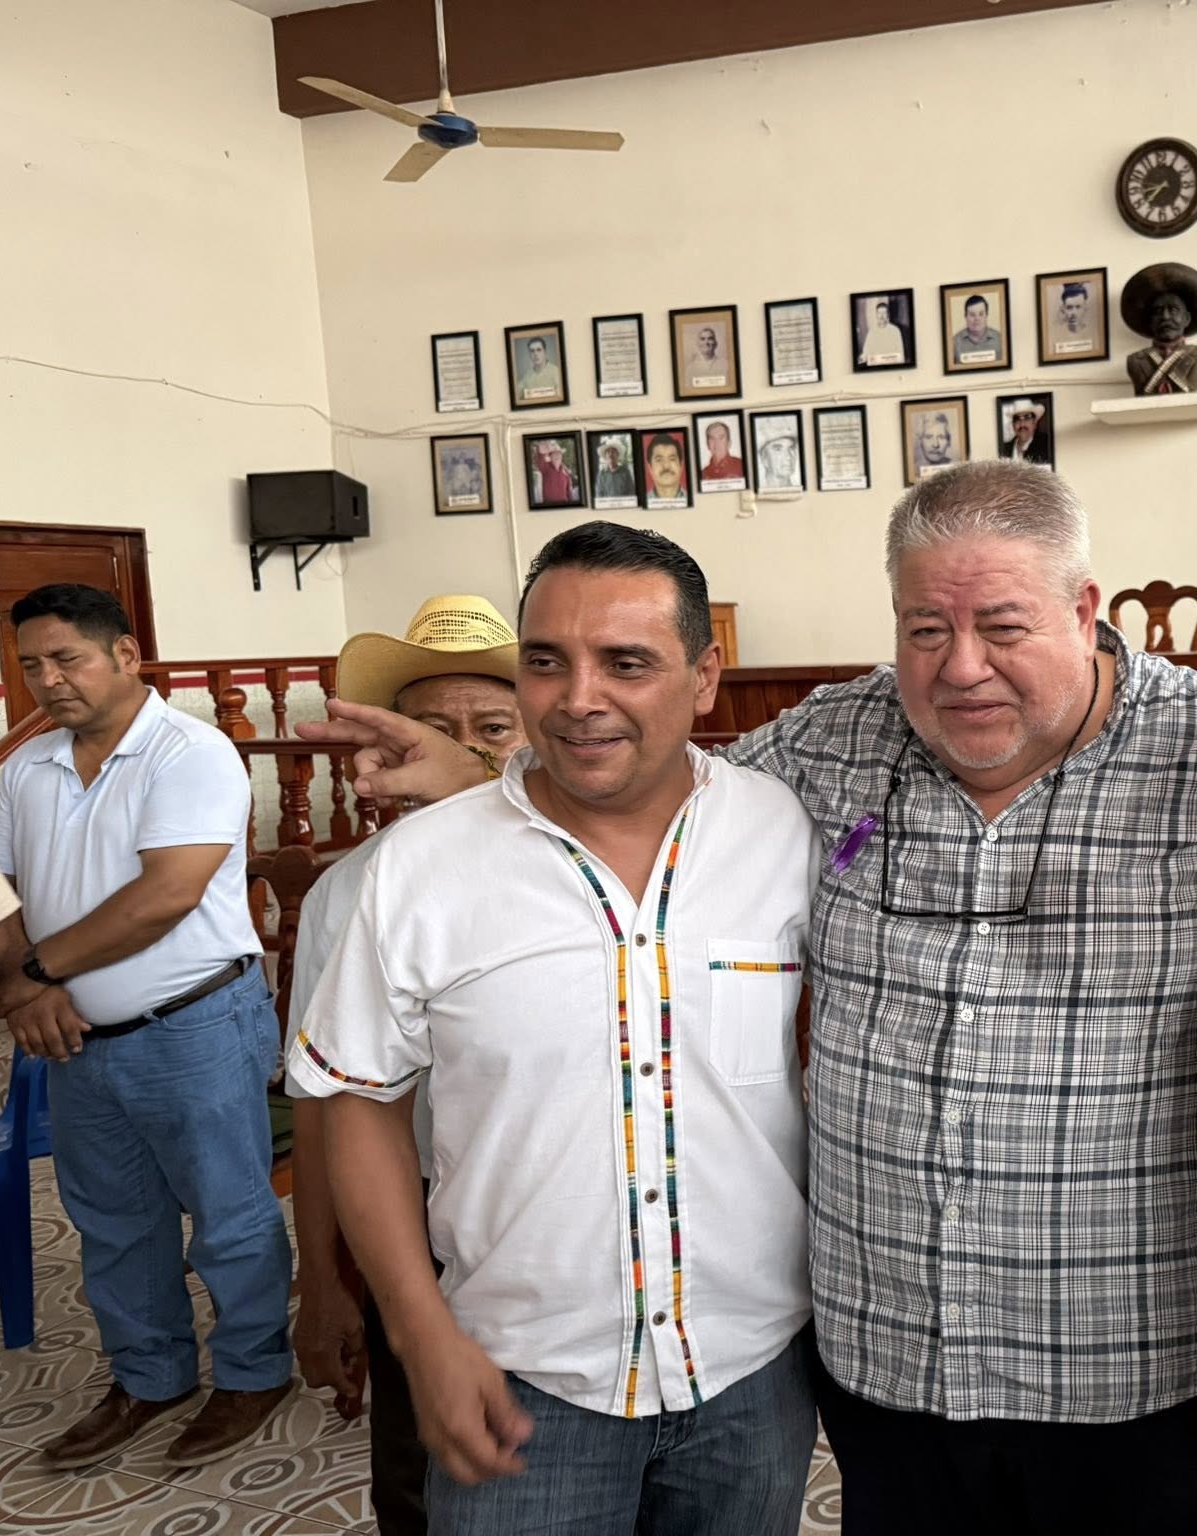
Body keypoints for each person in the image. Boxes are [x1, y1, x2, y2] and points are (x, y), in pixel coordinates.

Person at [296, 462, 1197, 1536]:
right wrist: (487, 780)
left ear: (1089, 612)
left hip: (1130, 1367)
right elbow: (638, 772)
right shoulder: (829, 746)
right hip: (885, 1359)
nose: (959, 666)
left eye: (1002, 624)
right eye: (925, 627)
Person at [290, 523, 822, 1536]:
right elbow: (358, 1099)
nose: (579, 698)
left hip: (753, 1373)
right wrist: (420, 1334)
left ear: (705, 677)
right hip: (520, 1381)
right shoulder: (421, 869)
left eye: (626, 662)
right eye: (546, 662)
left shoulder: (781, 832)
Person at [0, 584, 296, 1470]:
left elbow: (166, 895)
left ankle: (253, 1372)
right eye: (31, 666)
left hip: (193, 1024)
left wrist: (37, 976)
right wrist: (23, 991)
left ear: (126, 655)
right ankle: (150, 1375)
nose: (49, 681)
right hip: (77, 1039)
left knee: (228, 1214)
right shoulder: (24, 768)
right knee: (112, 1220)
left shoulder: (191, 752)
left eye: (67, 659)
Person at [289, 595, 524, 1536]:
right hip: (411, 1221)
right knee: (418, 1471)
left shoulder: (585, 874)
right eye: (431, 726)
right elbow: (324, 1103)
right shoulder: (349, 892)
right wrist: (322, 1279)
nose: (461, 751)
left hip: (550, 1216)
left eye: (493, 728)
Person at [1123, 262, 1197, 395]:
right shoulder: (1136, 360)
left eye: (1173, 310)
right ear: (1150, 321)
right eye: (1158, 311)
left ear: (1187, 319)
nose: (1165, 317)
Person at [951, 294, 1004, 363]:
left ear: (986, 315)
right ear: (965, 316)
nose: (977, 319)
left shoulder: (1000, 340)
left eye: (981, 314)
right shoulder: (954, 343)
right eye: (972, 315)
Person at [999, 399, 1053, 466]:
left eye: (1027, 418)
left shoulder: (1047, 447)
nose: (1022, 424)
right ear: (1013, 424)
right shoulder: (1004, 449)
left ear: (1035, 423)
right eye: (1017, 419)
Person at [644, 431, 689, 506]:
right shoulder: (643, 501)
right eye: (659, 460)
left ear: (681, 465)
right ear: (650, 468)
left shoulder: (694, 499)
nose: (666, 466)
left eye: (672, 459)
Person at [859, 297, 906, 366]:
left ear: (888, 315)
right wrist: (861, 359)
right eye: (879, 313)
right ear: (876, 315)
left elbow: (901, 355)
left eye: (884, 313)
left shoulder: (895, 331)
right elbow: (866, 353)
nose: (881, 316)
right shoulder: (872, 332)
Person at [594, 438, 635, 503]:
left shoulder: (625, 472)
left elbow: (631, 492)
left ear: (617, 455)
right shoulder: (601, 474)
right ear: (605, 456)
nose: (610, 454)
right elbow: (599, 495)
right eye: (608, 452)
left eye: (613, 452)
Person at [1054, 281, 1094, 349]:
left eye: (1078, 307)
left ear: (1085, 308)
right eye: (1069, 307)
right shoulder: (1056, 333)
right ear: (1063, 309)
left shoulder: (1092, 332)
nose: (1074, 313)